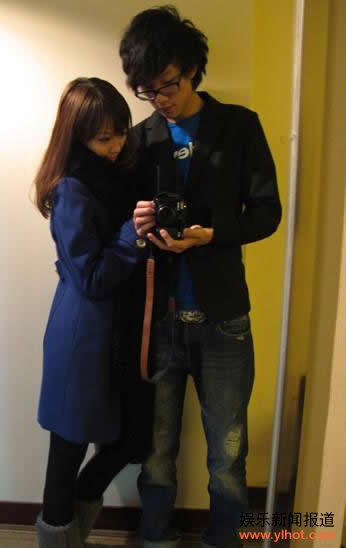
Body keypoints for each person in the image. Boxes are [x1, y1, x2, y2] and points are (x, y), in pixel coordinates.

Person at [119, 6, 282, 548]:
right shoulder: (140, 139)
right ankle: (155, 538)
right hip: (159, 320)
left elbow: (268, 213)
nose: (159, 99)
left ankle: (225, 540)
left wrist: (211, 234)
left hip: (223, 319)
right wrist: (136, 223)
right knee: (156, 452)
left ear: (191, 69)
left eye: (167, 85)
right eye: (147, 91)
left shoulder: (239, 126)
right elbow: (121, 227)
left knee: (228, 455)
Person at [34, 77, 152, 548]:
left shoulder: (119, 176)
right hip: (82, 336)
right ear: (77, 135)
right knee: (66, 452)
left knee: (132, 441)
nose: (117, 144)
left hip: (118, 333)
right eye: (104, 138)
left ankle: (73, 533)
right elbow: (93, 277)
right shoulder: (72, 189)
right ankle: (60, 540)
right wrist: (132, 234)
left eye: (120, 132)